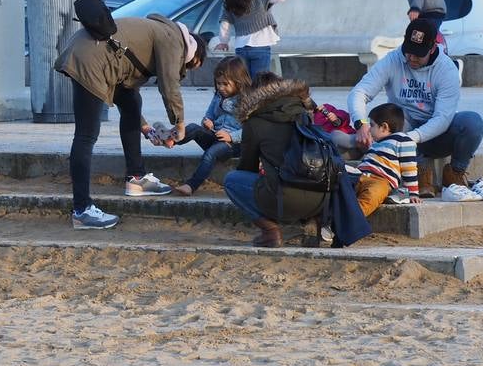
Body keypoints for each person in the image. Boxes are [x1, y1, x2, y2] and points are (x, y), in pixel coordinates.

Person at [56, 8, 209, 229]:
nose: (185, 70)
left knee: (131, 103)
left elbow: (126, 89)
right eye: (191, 66)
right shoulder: (173, 40)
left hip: (88, 51)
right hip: (91, 60)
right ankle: (82, 210)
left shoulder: (161, 30)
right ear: (194, 54)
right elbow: (169, 86)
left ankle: (136, 178)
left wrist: (146, 128)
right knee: (86, 135)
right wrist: (180, 124)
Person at [346, 17, 483, 198]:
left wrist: (409, 139)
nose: (411, 58)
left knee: (472, 122)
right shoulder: (394, 59)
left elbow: (442, 119)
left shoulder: (446, 69)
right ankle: (419, 172)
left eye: (418, 54)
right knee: (392, 120)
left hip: (437, 134)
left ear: (432, 48)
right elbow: (359, 92)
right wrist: (361, 123)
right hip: (405, 128)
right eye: (408, 52)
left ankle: (455, 173)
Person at [220, 75, 325, 248]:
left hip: (284, 198)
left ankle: (270, 232)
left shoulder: (254, 122)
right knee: (303, 174)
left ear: (254, 95)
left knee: (232, 180)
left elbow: (247, 167)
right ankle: (312, 221)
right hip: (321, 195)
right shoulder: (304, 113)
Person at [214, 0, 305, 78]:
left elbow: (225, 21)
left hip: (240, 47)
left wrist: (224, 41)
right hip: (260, 46)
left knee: (244, 82)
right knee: (260, 83)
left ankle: (244, 98)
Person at [171, 56, 250, 196]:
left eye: (225, 84)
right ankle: (171, 139)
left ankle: (191, 185)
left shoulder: (247, 100)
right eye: (218, 83)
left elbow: (250, 129)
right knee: (194, 128)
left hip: (233, 145)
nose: (221, 87)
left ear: (238, 82)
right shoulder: (218, 96)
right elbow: (209, 115)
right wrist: (208, 122)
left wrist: (231, 136)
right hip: (215, 134)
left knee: (211, 153)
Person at [349, 102, 419, 215]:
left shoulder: (403, 140)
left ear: (384, 127)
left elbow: (409, 169)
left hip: (381, 181)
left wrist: (412, 193)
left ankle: (350, 217)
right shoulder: (376, 144)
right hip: (359, 175)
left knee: (373, 195)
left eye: (371, 125)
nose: (369, 130)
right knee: (341, 181)